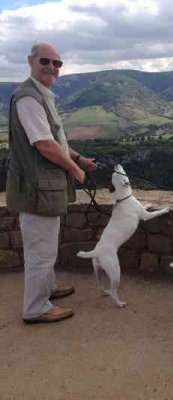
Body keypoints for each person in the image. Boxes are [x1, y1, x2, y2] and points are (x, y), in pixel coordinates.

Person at [6, 43, 97, 324]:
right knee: (41, 251)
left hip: (42, 189)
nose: (52, 67)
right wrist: (73, 169)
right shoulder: (29, 99)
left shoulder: (41, 96)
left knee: (45, 246)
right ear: (31, 61)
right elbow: (44, 144)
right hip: (37, 190)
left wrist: (79, 159)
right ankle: (36, 308)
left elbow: (55, 140)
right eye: (45, 61)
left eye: (57, 63)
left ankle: (48, 289)